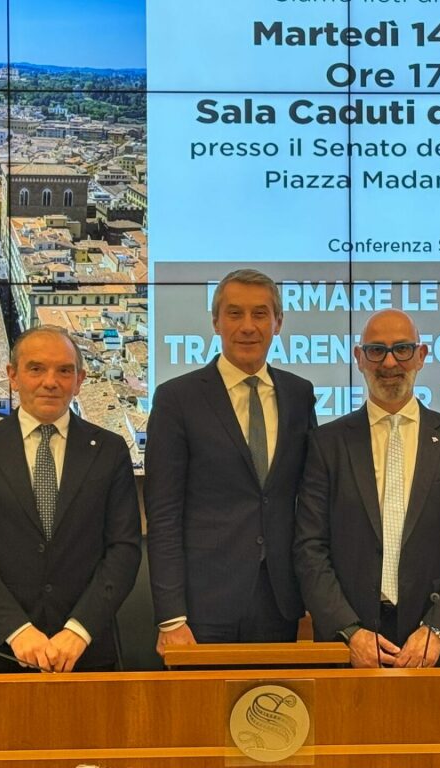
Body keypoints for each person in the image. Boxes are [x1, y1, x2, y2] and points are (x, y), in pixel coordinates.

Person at [294, 309, 440, 667]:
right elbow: (309, 547)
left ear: (421, 355)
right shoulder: (327, 444)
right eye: (376, 350)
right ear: (359, 358)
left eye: (402, 349)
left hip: (436, 644)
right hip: (349, 646)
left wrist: (438, 629)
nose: (389, 363)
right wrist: (349, 630)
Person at [0, 325, 142, 672]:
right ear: (13, 376)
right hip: (2, 651)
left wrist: (79, 630)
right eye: (36, 369)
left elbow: (123, 550)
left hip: (86, 652)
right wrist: (17, 631)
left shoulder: (110, 451)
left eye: (64, 370)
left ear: (79, 380)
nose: (50, 381)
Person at [145, 269, 317, 655]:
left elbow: (309, 499)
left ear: (278, 323)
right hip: (202, 605)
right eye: (235, 314)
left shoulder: (299, 394)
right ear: (215, 322)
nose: (247, 326)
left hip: (279, 601)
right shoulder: (177, 399)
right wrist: (171, 617)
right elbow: (163, 514)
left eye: (260, 314)